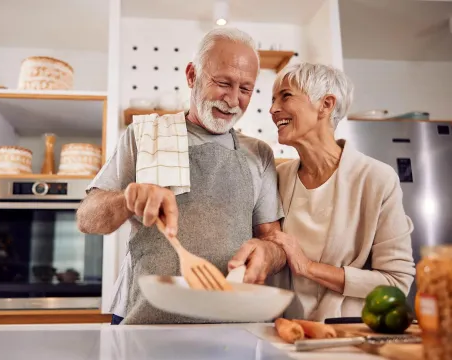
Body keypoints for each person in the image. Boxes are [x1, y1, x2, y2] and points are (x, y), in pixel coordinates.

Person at [77, 27, 286, 325]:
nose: (233, 99)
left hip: (231, 327)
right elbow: (87, 219)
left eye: (246, 89)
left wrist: (268, 252)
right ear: (192, 76)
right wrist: (127, 199)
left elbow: (274, 242)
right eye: (223, 82)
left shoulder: (259, 154)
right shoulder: (144, 136)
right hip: (145, 322)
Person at [267, 62, 416, 321]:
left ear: (326, 104)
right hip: (284, 331)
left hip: (345, 332)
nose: (273, 109)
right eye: (273, 99)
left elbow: (396, 283)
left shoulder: (376, 179)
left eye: (286, 96)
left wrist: (309, 267)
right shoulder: (277, 178)